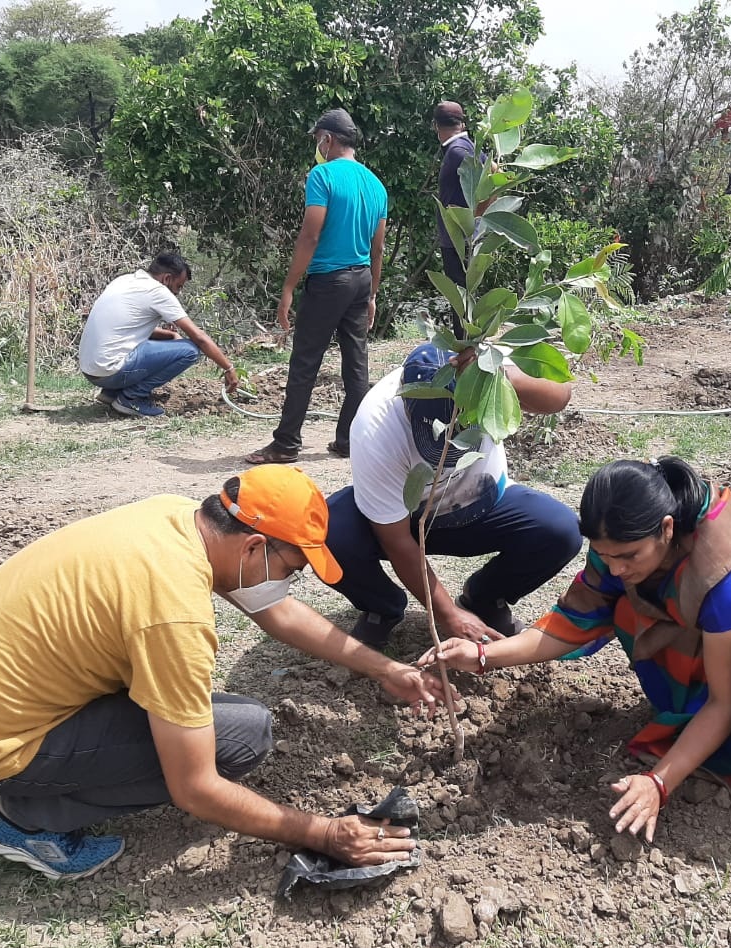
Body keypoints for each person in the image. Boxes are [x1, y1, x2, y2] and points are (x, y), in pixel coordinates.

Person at [0, 465, 443, 879]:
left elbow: (275, 610)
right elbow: (197, 789)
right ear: (255, 545)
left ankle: (31, 769)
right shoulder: (174, 613)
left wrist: (383, 667)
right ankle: (21, 820)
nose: (289, 581)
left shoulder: (177, 517)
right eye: (291, 568)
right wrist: (326, 834)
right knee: (240, 738)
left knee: (224, 717)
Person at [420, 457, 731, 860]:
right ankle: (718, 736)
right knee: (631, 607)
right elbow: (572, 623)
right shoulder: (618, 546)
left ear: (666, 529)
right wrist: (483, 655)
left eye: (627, 556)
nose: (616, 567)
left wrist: (657, 784)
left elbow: (723, 702)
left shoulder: (724, 571)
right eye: (606, 556)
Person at [323, 344, 583, 650]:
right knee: (329, 533)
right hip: (409, 521)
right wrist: (446, 615)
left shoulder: (488, 370)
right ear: (408, 403)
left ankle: (484, 599)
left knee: (560, 531)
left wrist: (498, 377)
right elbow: (396, 540)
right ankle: (382, 607)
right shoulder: (376, 427)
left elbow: (559, 396)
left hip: (481, 508)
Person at [246, 109, 389, 465]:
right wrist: (372, 294)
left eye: (318, 139)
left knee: (305, 361)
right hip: (360, 280)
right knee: (356, 364)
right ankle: (349, 441)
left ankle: (285, 443)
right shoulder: (376, 184)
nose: (317, 146)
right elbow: (379, 246)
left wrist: (289, 287)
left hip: (328, 280)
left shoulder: (322, 175)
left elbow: (310, 234)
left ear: (329, 139)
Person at [79, 253, 239, 418]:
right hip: (109, 371)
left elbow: (126, 330)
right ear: (167, 279)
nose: (178, 293)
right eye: (179, 286)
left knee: (176, 346)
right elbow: (199, 337)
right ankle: (131, 398)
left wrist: (168, 336)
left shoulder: (124, 280)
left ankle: (112, 393)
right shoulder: (158, 292)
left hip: (91, 371)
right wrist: (228, 368)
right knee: (190, 350)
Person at [433, 101, 477, 339]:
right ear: (462, 123)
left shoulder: (458, 151)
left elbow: (492, 175)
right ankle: (467, 351)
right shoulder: (466, 146)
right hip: (461, 238)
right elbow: (493, 169)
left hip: (459, 241)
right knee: (462, 298)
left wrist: (478, 218)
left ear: (436, 126)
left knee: (460, 299)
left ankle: (466, 354)